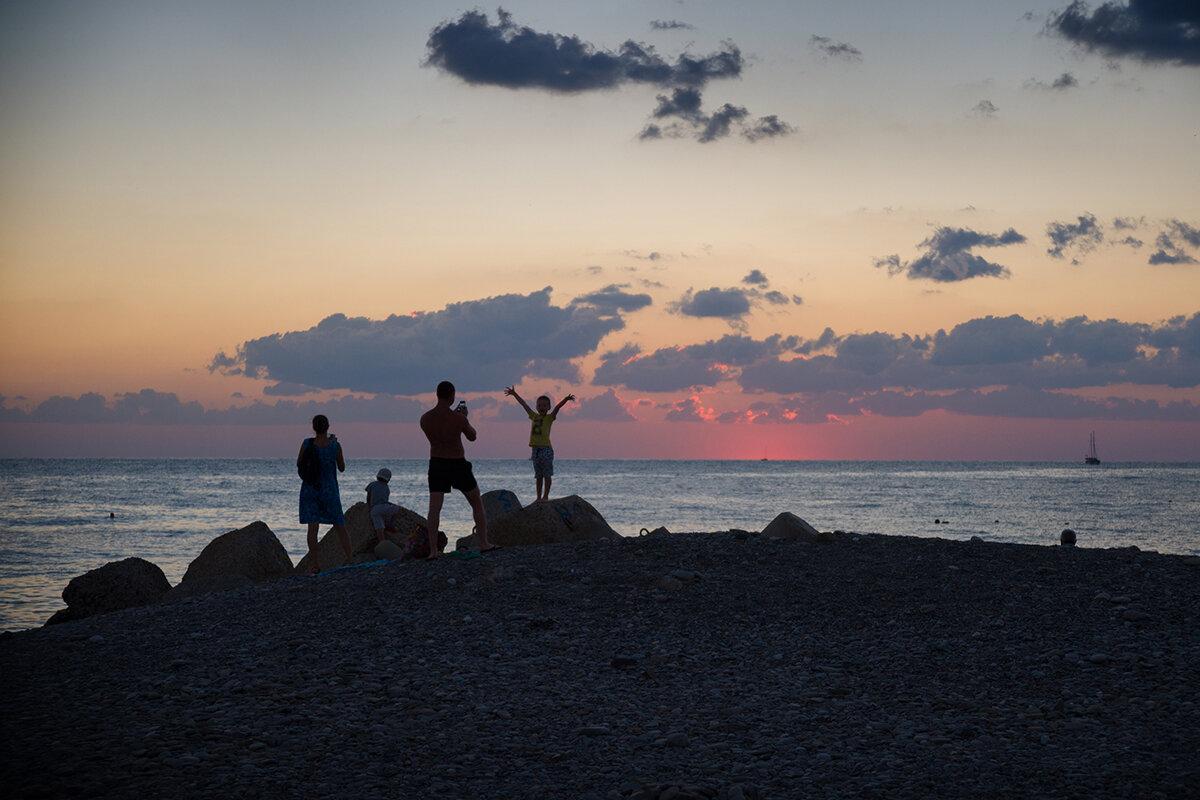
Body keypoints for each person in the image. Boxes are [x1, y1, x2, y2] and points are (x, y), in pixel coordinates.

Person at [419, 381, 498, 558]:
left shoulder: (425, 419)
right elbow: (472, 437)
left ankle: (433, 551)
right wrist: (464, 419)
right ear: (452, 396)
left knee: (435, 508)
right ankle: (484, 543)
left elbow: (440, 427)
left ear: (437, 395)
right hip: (457, 463)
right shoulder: (459, 419)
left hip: (437, 463)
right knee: (476, 502)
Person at [297, 414, 353, 573]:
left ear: (313, 427)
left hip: (310, 489)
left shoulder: (307, 443)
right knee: (340, 525)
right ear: (328, 427)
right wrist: (334, 445)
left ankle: (315, 565)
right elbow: (342, 467)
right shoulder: (335, 446)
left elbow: (299, 464)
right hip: (329, 490)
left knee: (312, 528)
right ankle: (350, 559)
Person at [504, 386, 575, 503]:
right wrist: (514, 394)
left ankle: (545, 496)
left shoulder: (549, 418)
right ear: (536, 407)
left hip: (546, 449)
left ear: (548, 407)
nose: (542, 407)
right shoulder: (534, 416)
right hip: (535, 451)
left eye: (544, 405)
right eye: (539, 405)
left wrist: (566, 399)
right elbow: (524, 405)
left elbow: (557, 408)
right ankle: (538, 497)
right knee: (538, 476)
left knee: (547, 474)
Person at [365, 468, 399, 544]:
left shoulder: (372, 484)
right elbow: (385, 500)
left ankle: (382, 542)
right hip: (384, 507)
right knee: (397, 509)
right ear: (388, 480)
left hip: (374, 509)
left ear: (377, 476)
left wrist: (369, 507)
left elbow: (368, 497)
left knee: (379, 527)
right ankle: (391, 523)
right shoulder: (386, 488)